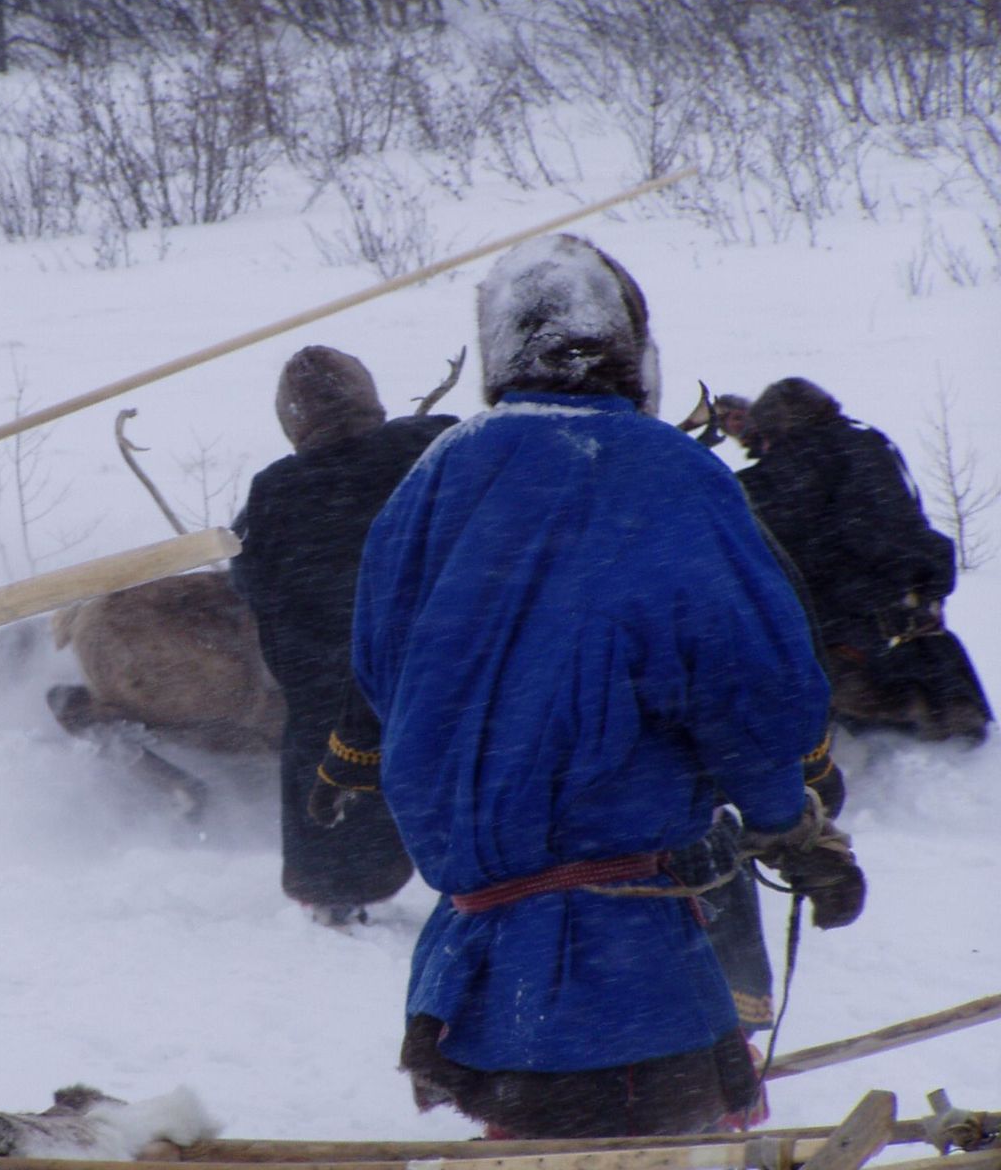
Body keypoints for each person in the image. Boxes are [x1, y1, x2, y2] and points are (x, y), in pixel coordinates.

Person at [351, 234, 865, 1138]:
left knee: (535, 1147)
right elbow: (746, 685)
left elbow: (383, 677)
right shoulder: (666, 475)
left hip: (482, 954)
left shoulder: (429, 484)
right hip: (624, 964)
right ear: (629, 354)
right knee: (644, 1148)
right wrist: (789, 824)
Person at [230, 346, 456, 926]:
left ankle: (336, 891)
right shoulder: (435, 446)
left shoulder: (277, 492)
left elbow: (256, 585)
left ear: (293, 423)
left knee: (322, 752)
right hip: (452, 668)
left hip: (343, 687)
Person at [735, 378, 991, 744]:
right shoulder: (867, 442)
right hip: (917, 639)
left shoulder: (807, 456)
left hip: (854, 648)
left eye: (764, 441)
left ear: (780, 426)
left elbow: (757, 514)